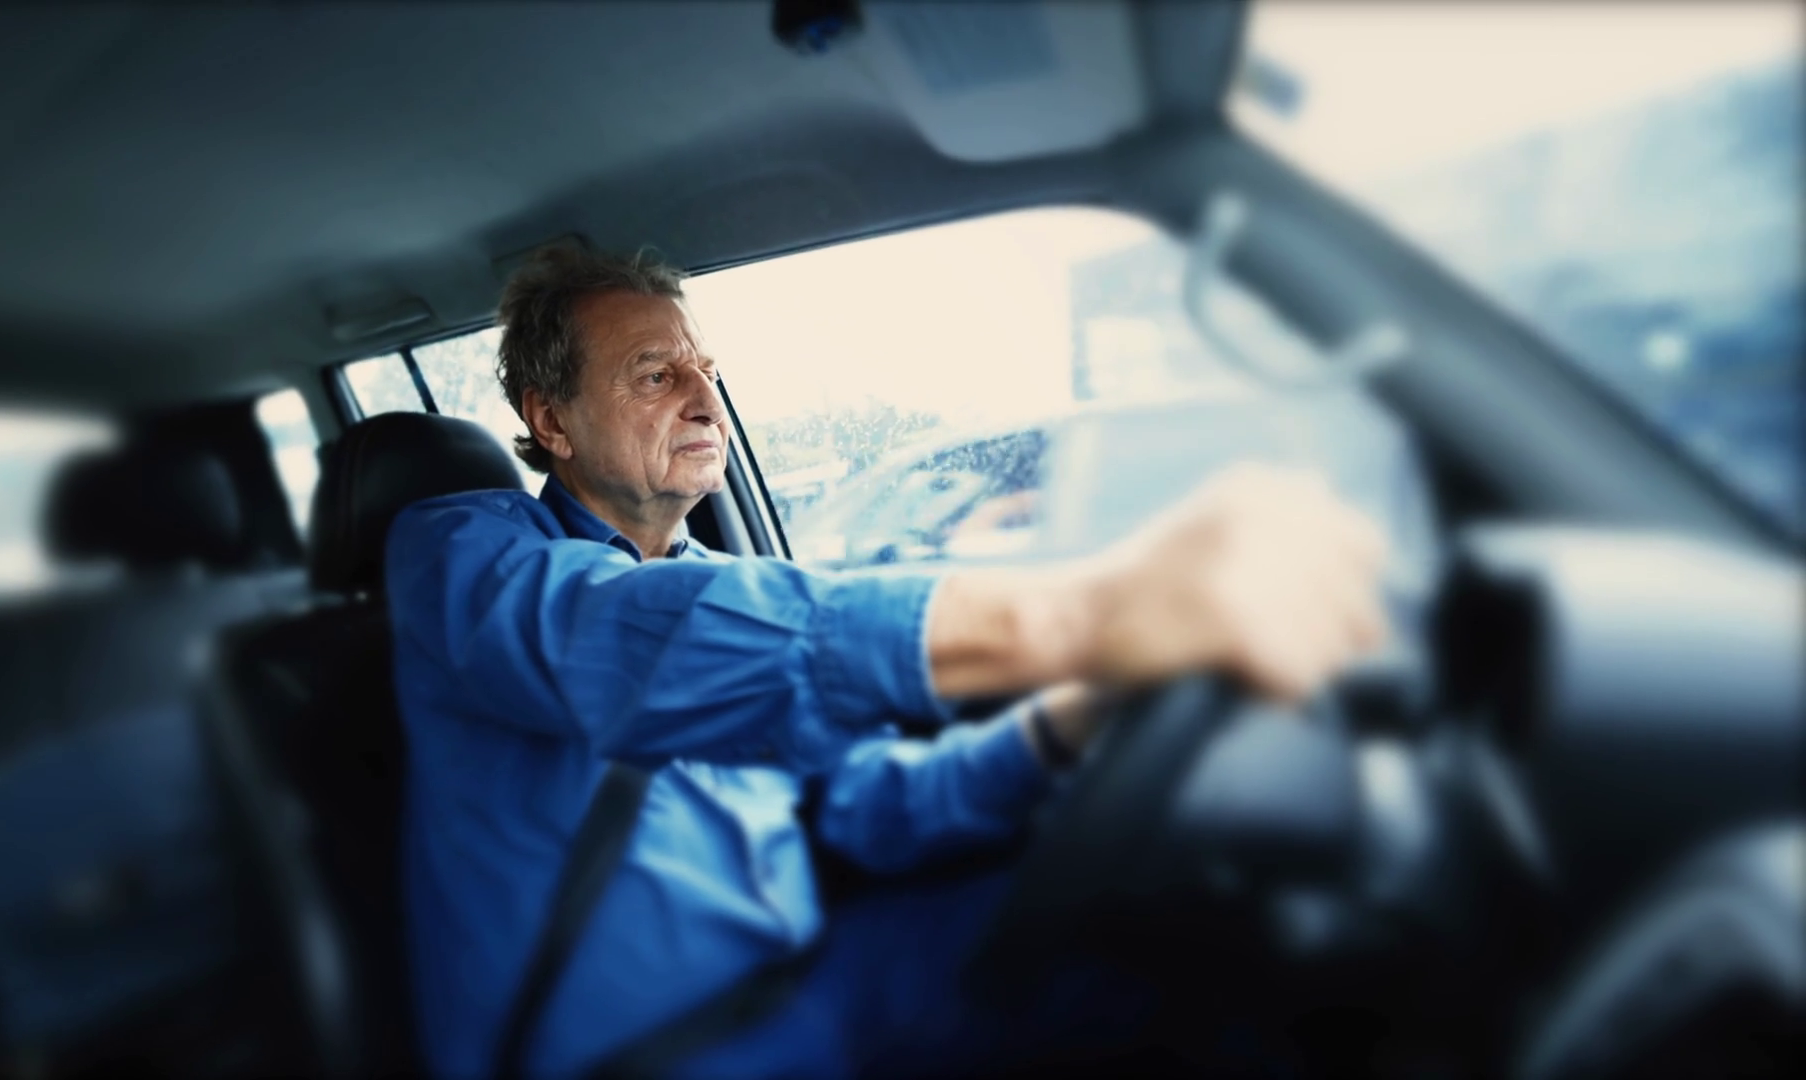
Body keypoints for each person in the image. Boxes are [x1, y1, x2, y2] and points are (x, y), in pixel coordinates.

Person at [384, 242, 1390, 1078]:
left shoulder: (722, 577)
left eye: (705, 371)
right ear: (550, 418)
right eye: (657, 374)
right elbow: (621, 635)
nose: (706, 399)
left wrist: (1074, 719)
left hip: (829, 986)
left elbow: (870, 807)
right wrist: (1079, 612)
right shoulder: (459, 552)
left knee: (1188, 941)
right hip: (651, 1055)